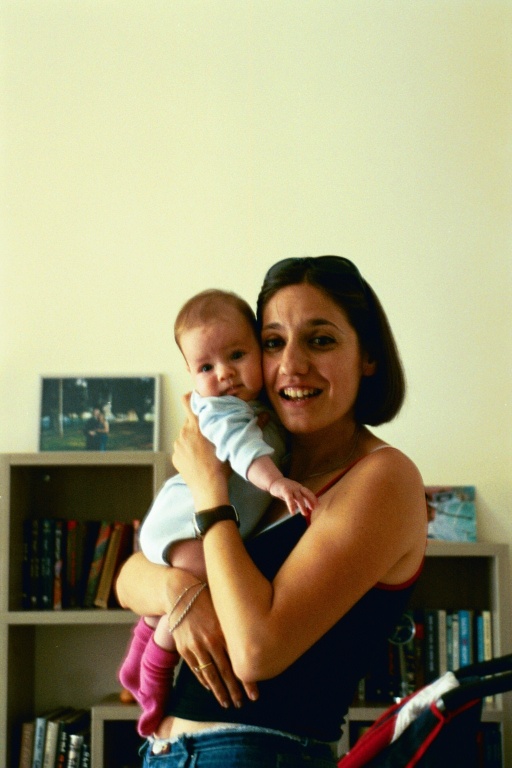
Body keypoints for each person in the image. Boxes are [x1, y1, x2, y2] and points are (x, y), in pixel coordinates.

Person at [116, 256, 428, 768]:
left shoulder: (382, 478)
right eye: (273, 342)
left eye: (320, 340)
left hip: (259, 753)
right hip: (170, 752)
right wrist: (180, 593)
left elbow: (255, 651)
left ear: (368, 356)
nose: (291, 365)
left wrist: (209, 489)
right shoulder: (265, 461)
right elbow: (129, 579)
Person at [119, 289, 316, 736]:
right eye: (206, 367)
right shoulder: (224, 410)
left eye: (237, 355)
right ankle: (153, 666)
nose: (224, 373)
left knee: (197, 584)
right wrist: (277, 483)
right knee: (206, 579)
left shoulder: (260, 408)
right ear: (190, 374)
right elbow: (243, 450)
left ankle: (142, 643)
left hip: (192, 519)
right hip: (185, 519)